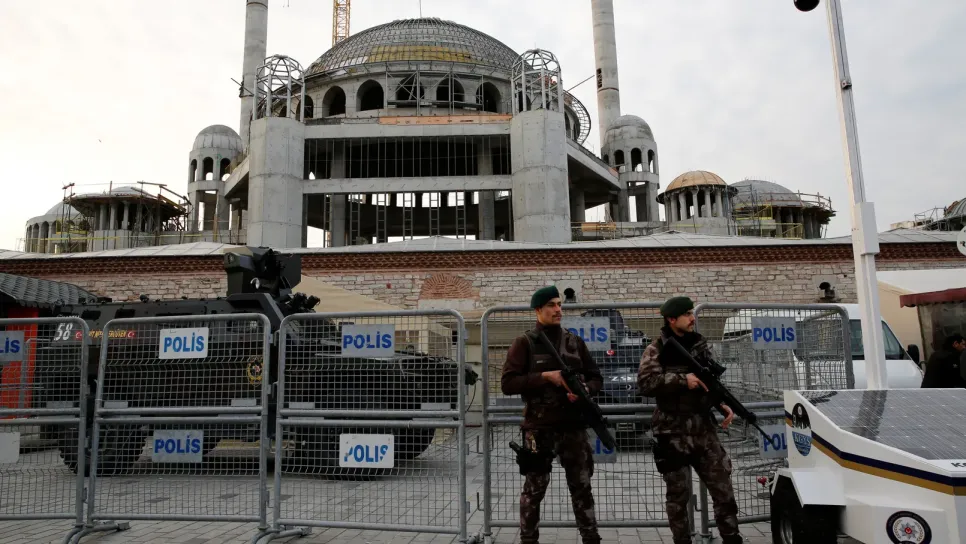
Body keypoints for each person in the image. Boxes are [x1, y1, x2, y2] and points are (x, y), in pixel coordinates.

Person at [500, 285, 603, 544]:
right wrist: (545, 377)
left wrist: (585, 390)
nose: (558, 310)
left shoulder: (574, 342)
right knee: (534, 490)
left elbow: (596, 377)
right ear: (538, 310)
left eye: (559, 304)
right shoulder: (525, 343)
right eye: (551, 305)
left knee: (582, 488)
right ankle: (528, 540)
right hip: (539, 429)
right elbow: (508, 383)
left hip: (573, 428)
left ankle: (591, 538)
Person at [637, 296, 743, 544]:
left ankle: (731, 537)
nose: (692, 318)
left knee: (723, 488)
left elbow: (709, 384)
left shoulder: (699, 346)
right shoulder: (656, 350)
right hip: (671, 431)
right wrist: (683, 380)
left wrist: (722, 404)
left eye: (691, 313)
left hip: (703, 429)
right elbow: (646, 383)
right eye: (686, 314)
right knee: (678, 496)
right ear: (672, 319)